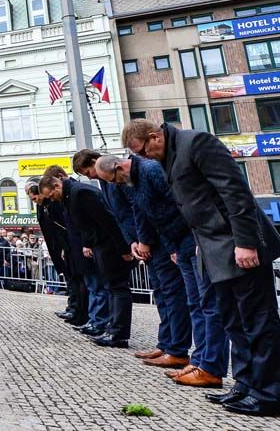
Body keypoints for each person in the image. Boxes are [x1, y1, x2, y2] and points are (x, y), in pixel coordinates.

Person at [123, 119, 280, 417]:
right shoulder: (168, 156)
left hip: (238, 245)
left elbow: (235, 192)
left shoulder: (196, 143)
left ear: (153, 136)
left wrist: (246, 242)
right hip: (213, 248)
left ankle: (268, 395)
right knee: (234, 320)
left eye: (143, 151)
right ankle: (245, 384)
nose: (144, 158)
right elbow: (194, 205)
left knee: (258, 320)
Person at [97, 153, 229, 388]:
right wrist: (148, 241)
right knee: (193, 302)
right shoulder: (135, 180)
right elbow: (141, 213)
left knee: (201, 303)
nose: (115, 186)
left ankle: (201, 362)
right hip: (176, 243)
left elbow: (177, 206)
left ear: (119, 166)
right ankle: (197, 360)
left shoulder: (150, 171)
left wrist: (186, 241)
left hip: (188, 241)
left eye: (115, 180)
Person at [78, 149, 191, 369]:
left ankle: (176, 348)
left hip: (157, 241)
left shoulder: (137, 173)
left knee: (172, 294)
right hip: (142, 241)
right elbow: (125, 214)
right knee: (161, 293)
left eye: (89, 172)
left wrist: (143, 240)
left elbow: (138, 209)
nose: (91, 177)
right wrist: (134, 240)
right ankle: (166, 343)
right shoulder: (110, 178)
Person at [39, 172, 134, 348]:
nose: (52, 199)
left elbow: (107, 221)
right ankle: (112, 329)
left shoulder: (80, 193)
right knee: (111, 288)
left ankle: (118, 333)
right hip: (101, 245)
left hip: (108, 246)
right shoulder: (70, 195)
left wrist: (123, 248)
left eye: (52, 195)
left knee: (116, 288)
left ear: (56, 185)